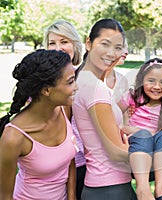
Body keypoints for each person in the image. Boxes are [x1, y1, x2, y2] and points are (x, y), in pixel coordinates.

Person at [0, 49, 78, 200]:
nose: (76, 87)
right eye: (70, 82)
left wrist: (72, 196)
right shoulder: (13, 137)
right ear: (47, 90)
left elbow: (69, 159)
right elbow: (4, 196)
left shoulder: (64, 109)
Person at [72, 18, 136, 200]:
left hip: (108, 185)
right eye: (105, 44)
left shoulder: (86, 81)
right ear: (88, 43)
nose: (111, 53)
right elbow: (116, 152)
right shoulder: (94, 87)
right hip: (109, 188)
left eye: (118, 47)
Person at [118, 58, 162, 200]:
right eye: (151, 80)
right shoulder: (133, 97)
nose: (156, 86)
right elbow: (113, 114)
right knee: (144, 135)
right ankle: (143, 190)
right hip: (136, 146)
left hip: (156, 148)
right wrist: (126, 128)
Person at [43, 19, 86, 200]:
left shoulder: (84, 78)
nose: (58, 48)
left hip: (82, 162)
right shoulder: (40, 80)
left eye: (64, 42)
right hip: (49, 164)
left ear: (75, 46)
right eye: (52, 43)